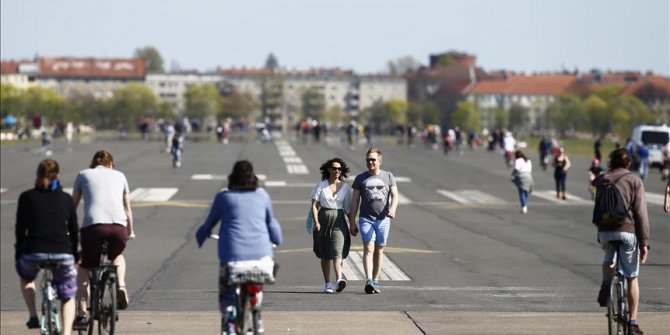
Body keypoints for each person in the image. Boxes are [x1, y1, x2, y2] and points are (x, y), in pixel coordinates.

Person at [195, 160, 283, 335]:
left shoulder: (224, 197)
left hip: (232, 259)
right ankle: (256, 309)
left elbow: (208, 224)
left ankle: (229, 325)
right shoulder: (263, 195)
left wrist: (201, 237)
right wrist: (277, 239)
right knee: (256, 283)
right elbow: (272, 225)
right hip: (262, 259)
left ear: (232, 178)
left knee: (227, 299)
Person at [72, 150, 135, 329]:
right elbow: (127, 208)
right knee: (117, 255)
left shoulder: (83, 174)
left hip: (93, 228)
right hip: (118, 227)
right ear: (110, 164)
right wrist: (130, 231)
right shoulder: (120, 175)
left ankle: (82, 313)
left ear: (94, 164)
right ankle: (121, 285)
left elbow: (72, 208)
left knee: (84, 266)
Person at [15, 159, 79, 334]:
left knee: (27, 278)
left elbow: (20, 229)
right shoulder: (65, 199)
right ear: (57, 175)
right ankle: (66, 332)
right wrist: (75, 253)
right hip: (63, 252)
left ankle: (33, 315)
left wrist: (19, 253)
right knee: (67, 295)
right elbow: (73, 230)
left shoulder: (26, 197)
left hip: (33, 252)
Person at [593, 148, 650, 335]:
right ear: (629, 164)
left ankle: (606, 284)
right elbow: (641, 214)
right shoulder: (634, 180)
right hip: (627, 231)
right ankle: (632, 323)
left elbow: (599, 205)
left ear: (611, 162)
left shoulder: (602, 179)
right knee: (632, 275)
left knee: (609, 258)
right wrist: (644, 243)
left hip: (605, 231)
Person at [348, 147, 399, 294]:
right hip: (366, 219)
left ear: (380, 161)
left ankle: (375, 280)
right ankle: (368, 280)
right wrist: (352, 222)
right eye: (368, 160)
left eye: (373, 160)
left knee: (379, 250)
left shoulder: (388, 176)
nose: (370, 162)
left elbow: (395, 195)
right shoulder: (360, 179)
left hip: (383, 220)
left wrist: (393, 209)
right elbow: (355, 202)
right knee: (368, 249)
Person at [310, 158, 352, 293]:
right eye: (334, 168)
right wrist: (316, 222)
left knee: (337, 251)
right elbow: (314, 206)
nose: (337, 171)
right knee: (325, 254)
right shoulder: (321, 185)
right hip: (323, 219)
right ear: (329, 169)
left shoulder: (346, 187)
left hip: (339, 221)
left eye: (339, 169)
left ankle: (339, 279)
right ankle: (327, 283)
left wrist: (352, 224)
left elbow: (348, 209)